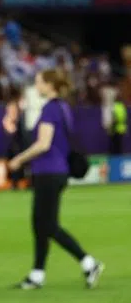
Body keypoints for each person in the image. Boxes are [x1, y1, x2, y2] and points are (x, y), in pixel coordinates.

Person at [7, 69, 103, 289]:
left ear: (49, 85)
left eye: (39, 82)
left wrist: (19, 160)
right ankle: (37, 274)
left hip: (48, 171)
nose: (36, 86)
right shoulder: (63, 107)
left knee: (47, 225)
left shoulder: (50, 109)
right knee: (40, 224)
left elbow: (44, 143)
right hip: (56, 171)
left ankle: (88, 262)